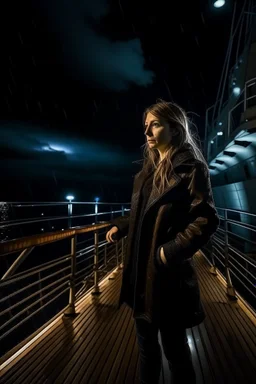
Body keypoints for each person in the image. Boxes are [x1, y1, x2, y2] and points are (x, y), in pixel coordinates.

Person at [106, 99, 220, 383]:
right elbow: (142, 213)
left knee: (175, 352)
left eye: (155, 124)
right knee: (146, 350)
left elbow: (206, 220)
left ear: (175, 128)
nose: (147, 132)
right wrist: (121, 226)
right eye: (145, 126)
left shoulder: (191, 169)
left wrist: (168, 253)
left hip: (167, 277)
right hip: (139, 275)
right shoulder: (145, 174)